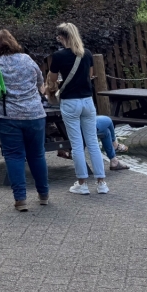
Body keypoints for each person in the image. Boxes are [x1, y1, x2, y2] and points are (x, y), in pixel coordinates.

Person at [0, 29, 49, 211]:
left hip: (6, 115)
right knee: (37, 154)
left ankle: (20, 199)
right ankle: (44, 195)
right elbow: (40, 83)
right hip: (34, 114)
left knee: (14, 156)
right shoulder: (27, 59)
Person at [46, 23, 107, 196]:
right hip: (87, 101)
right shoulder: (86, 53)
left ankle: (82, 183)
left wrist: (51, 89)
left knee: (77, 144)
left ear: (61, 37)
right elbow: (88, 76)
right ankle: (101, 183)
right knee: (93, 142)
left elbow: (51, 81)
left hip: (70, 102)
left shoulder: (58, 56)